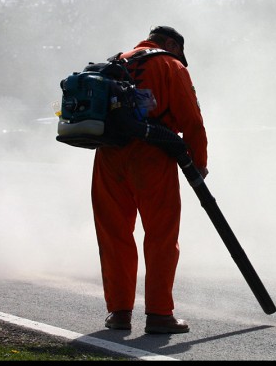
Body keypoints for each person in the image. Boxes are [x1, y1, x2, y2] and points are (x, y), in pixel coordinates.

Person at [92, 25, 208, 334]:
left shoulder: (117, 61)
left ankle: (119, 313)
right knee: (160, 237)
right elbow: (192, 122)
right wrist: (199, 164)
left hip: (108, 157)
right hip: (152, 158)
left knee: (114, 236)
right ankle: (159, 314)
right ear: (171, 44)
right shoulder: (171, 65)